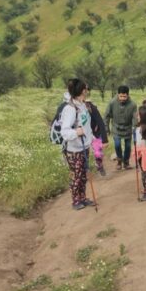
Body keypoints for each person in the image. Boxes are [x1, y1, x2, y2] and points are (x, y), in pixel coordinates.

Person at [60, 78, 93, 210]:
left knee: (84, 175)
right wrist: (76, 132)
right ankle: (75, 200)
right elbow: (65, 132)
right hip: (74, 150)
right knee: (77, 176)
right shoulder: (70, 109)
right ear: (82, 90)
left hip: (84, 146)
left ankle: (83, 198)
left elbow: (86, 125)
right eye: (86, 88)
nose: (87, 90)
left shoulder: (82, 105)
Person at [105, 85, 137, 170]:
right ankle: (119, 160)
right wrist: (106, 128)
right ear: (118, 94)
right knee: (117, 144)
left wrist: (135, 127)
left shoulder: (133, 105)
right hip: (116, 127)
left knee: (127, 146)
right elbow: (106, 116)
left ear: (128, 95)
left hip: (128, 128)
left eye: (124, 96)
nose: (122, 98)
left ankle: (126, 162)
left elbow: (135, 118)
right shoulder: (112, 103)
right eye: (121, 96)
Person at [86, 97, 108, 176]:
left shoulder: (93, 109)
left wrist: (105, 140)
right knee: (85, 152)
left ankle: (99, 166)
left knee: (97, 152)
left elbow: (101, 123)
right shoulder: (77, 110)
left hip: (96, 134)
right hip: (84, 134)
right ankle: (85, 170)